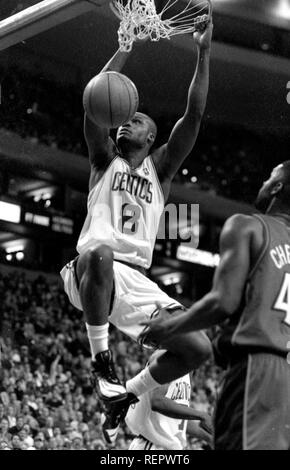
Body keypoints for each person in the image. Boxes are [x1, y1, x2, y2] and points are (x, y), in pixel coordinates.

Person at [60, 19, 213, 435]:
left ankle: (123, 394)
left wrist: (203, 52)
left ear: (152, 136)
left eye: (138, 120)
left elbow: (195, 115)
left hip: (135, 280)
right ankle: (102, 365)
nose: (128, 122)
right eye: (125, 118)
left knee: (197, 345)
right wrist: (125, 46)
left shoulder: (159, 170)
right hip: (91, 271)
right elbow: (96, 99)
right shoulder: (102, 159)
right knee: (101, 252)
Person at [141, 162, 290, 450]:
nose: (262, 182)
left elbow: (223, 300)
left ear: (277, 187)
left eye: (268, 177)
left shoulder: (248, 225)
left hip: (258, 368)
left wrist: (168, 326)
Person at [122, 350, 212, 450]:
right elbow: (157, 401)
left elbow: (176, 421)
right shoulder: (165, 357)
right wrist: (202, 415)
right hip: (152, 444)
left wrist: (208, 437)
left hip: (170, 445)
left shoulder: (188, 369)